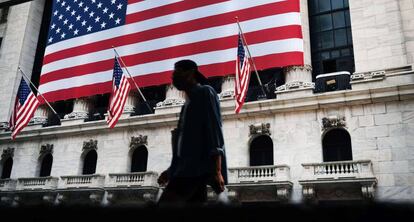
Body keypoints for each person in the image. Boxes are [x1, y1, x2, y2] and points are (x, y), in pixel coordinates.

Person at [157, 59, 228, 205]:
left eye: (177, 72)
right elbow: (182, 144)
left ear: (190, 73)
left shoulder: (205, 92)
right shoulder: (185, 106)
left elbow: (214, 129)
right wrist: (171, 170)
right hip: (187, 172)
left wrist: (217, 170)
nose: (173, 77)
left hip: (192, 171)